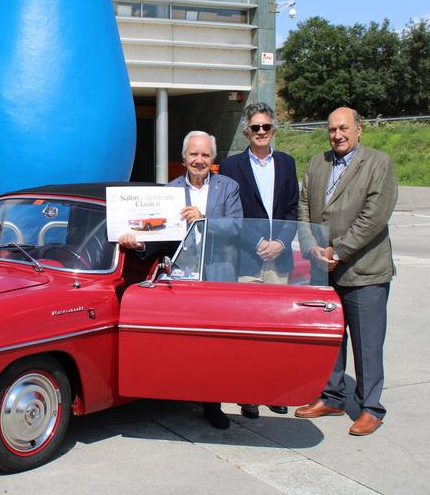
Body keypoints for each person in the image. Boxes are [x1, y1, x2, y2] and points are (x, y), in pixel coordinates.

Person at [119, 130, 242, 430]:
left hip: (218, 276)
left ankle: (213, 404)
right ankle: (182, 394)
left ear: (213, 159)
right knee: (187, 340)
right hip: (183, 277)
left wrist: (204, 220)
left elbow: (238, 227)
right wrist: (138, 244)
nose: (199, 160)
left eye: (205, 155)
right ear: (184, 157)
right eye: (194, 154)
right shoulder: (169, 191)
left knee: (217, 344)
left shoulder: (229, 188)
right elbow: (160, 237)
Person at [295, 107, 397, 436]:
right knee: (329, 340)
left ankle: (370, 407)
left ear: (358, 129)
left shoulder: (378, 163)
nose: (337, 135)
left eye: (344, 128)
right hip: (323, 270)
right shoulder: (318, 162)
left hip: (364, 271)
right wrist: (311, 246)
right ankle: (332, 397)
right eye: (332, 129)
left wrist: (338, 251)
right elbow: (305, 207)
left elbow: (374, 216)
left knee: (367, 343)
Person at [218, 102, 298, 419]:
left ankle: (274, 391)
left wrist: (280, 242)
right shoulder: (231, 166)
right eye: (255, 128)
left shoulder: (288, 164)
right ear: (246, 132)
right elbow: (229, 212)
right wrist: (258, 242)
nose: (261, 132)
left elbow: (293, 210)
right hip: (247, 261)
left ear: (273, 129)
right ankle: (248, 394)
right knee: (248, 332)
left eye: (266, 126)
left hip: (279, 261)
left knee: (277, 332)